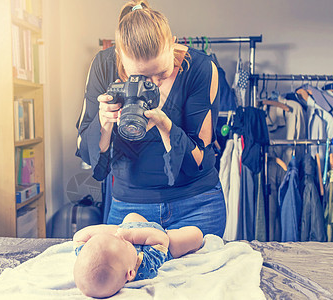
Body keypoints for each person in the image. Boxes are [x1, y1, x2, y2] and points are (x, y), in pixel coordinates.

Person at [75, 0, 226, 237]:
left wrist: (166, 127)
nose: (153, 83)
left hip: (196, 206)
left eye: (162, 74)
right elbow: (86, 152)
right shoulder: (103, 65)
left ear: (172, 43)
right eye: (140, 77)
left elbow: (199, 158)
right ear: (120, 57)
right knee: (128, 273)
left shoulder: (201, 68)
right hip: (129, 207)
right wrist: (104, 123)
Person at [73, 212, 203, 298]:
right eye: (124, 244)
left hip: (129, 227)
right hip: (157, 240)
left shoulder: (90, 254)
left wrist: (113, 233)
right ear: (130, 274)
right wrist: (129, 235)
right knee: (196, 235)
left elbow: (78, 236)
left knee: (131, 216)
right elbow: (161, 239)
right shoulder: (144, 266)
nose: (123, 240)